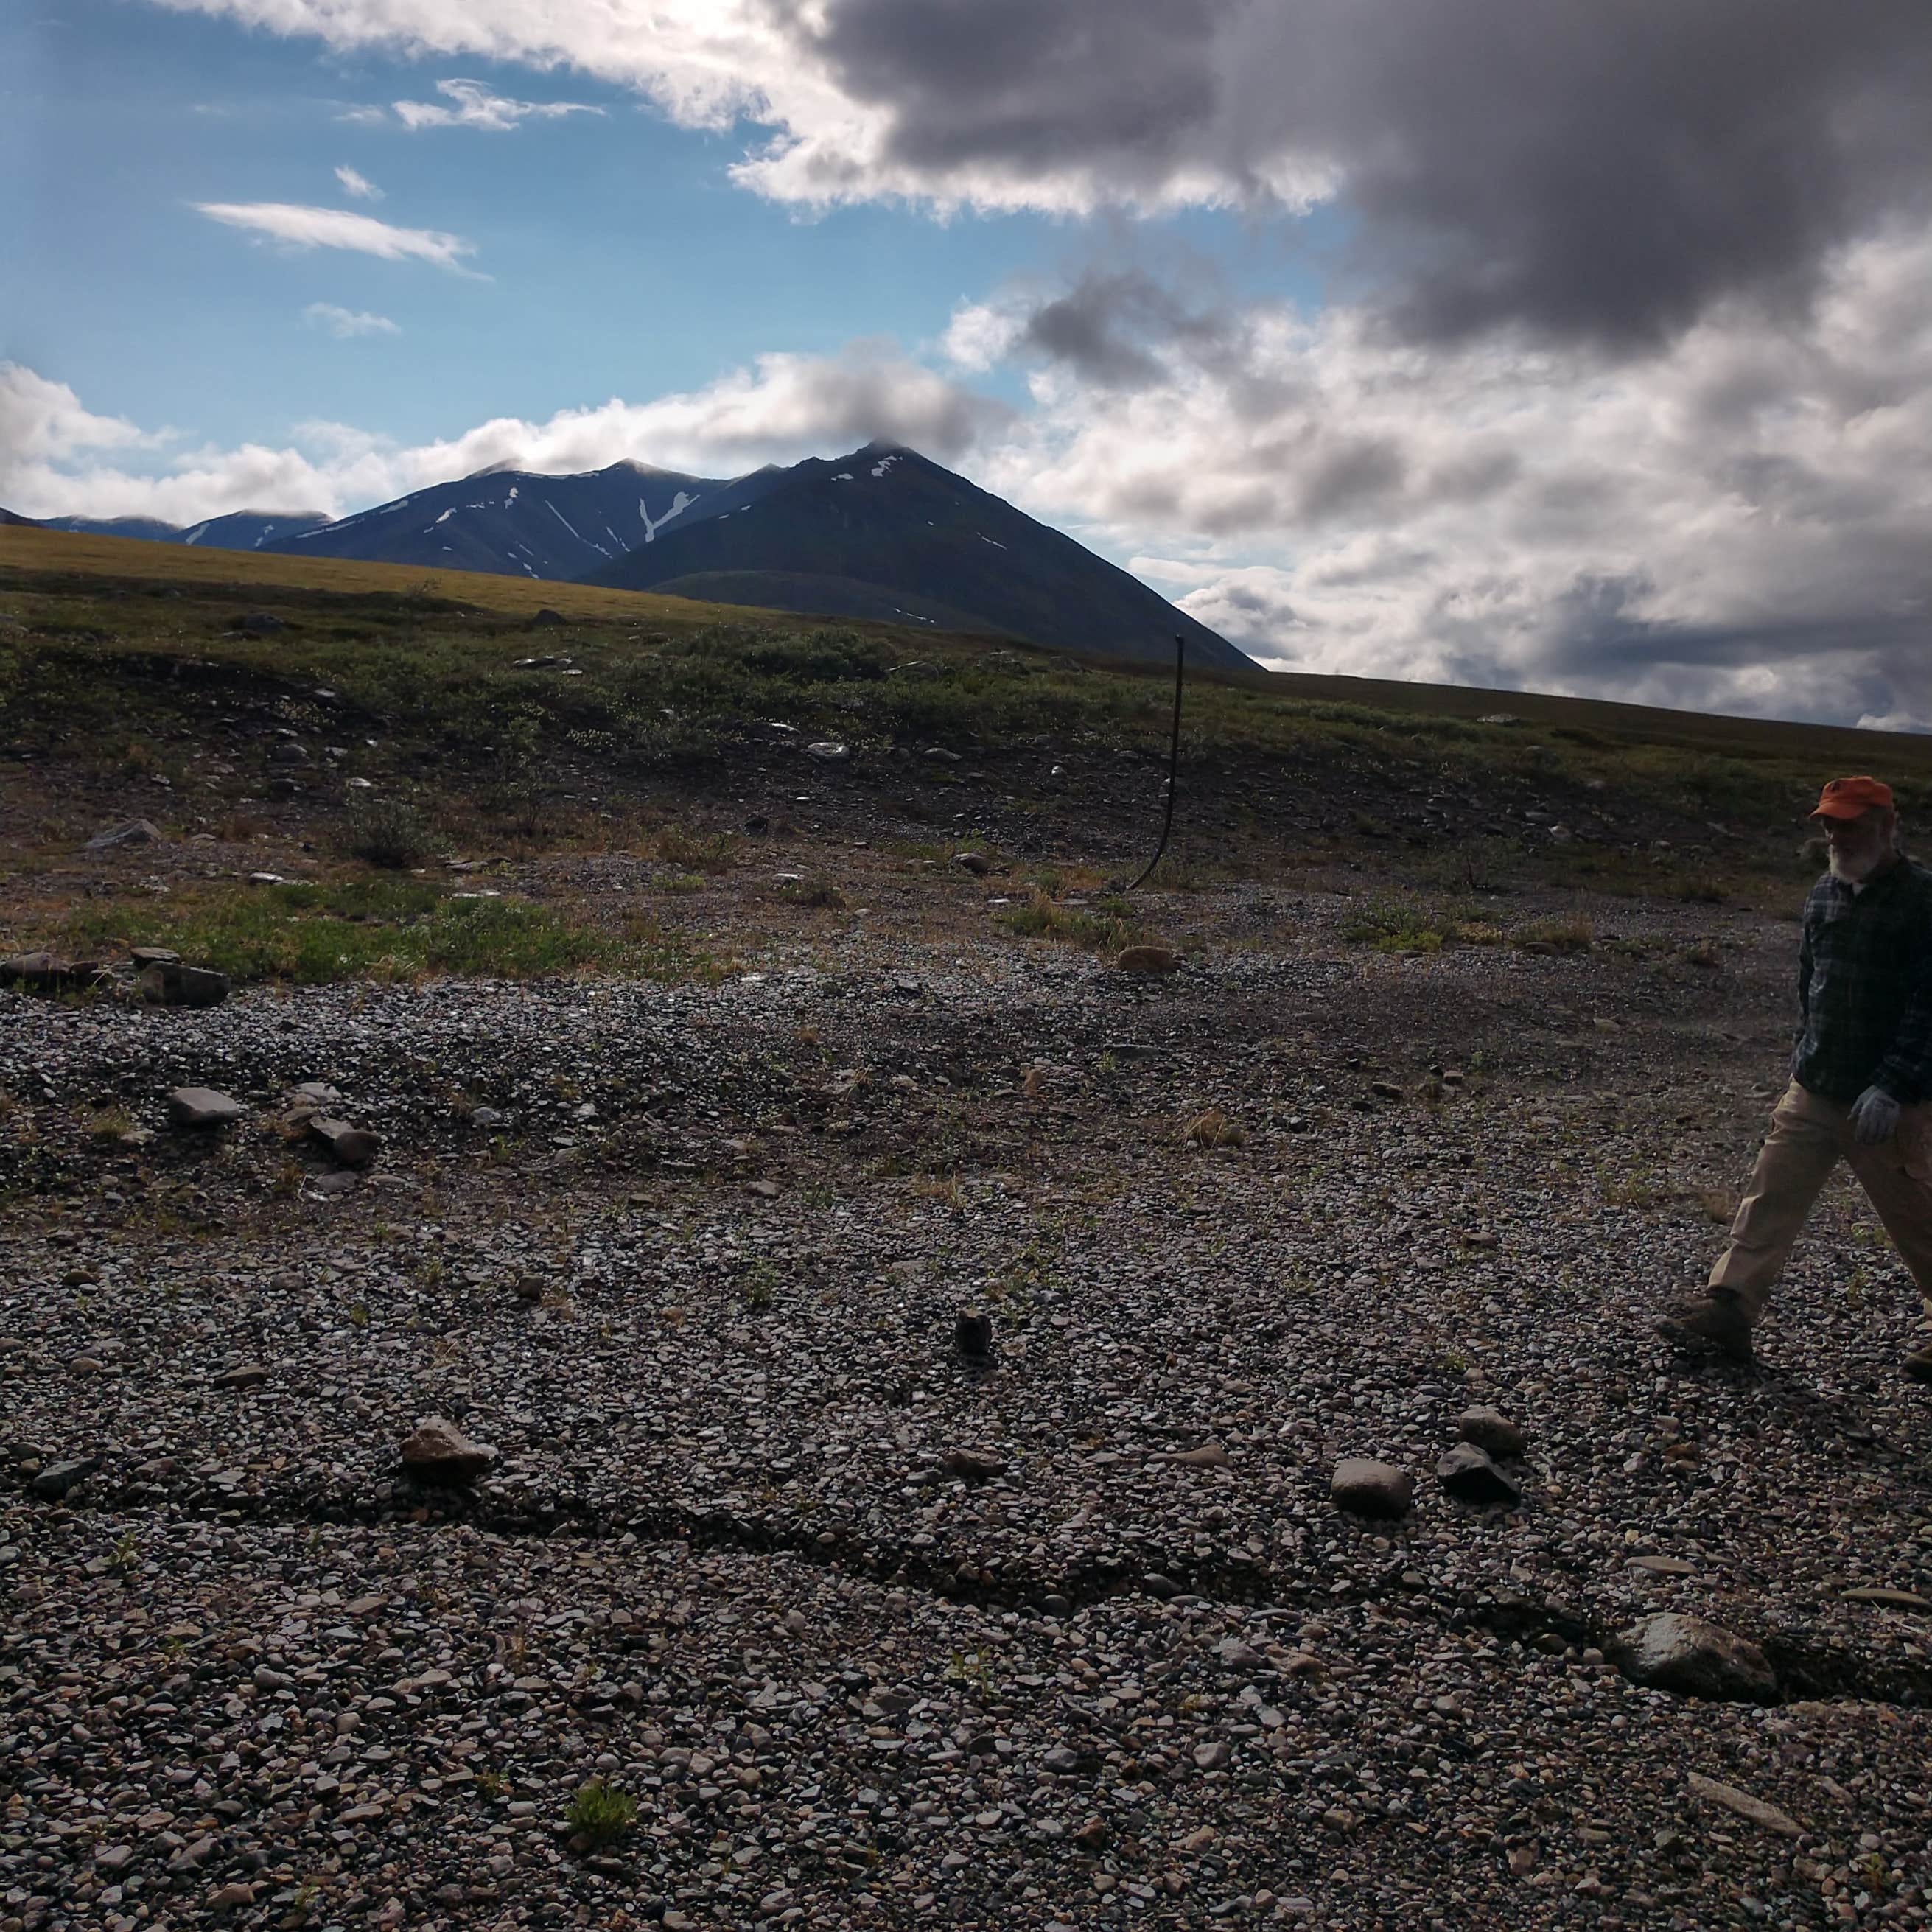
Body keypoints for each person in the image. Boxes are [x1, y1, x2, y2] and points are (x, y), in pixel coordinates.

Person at [1657, 775, 1932, 1379]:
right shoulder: (1824, 894)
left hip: (1889, 1100)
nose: (1836, 834)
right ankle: (1730, 1308)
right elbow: (1813, 979)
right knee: (1770, 1195)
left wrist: (1893, 1085)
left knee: (1918, 1219)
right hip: (1817, 1085)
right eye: (1830, 823)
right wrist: (1808, 1050)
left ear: (1888, 827)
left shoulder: (1922, 899)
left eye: (1851, 823)